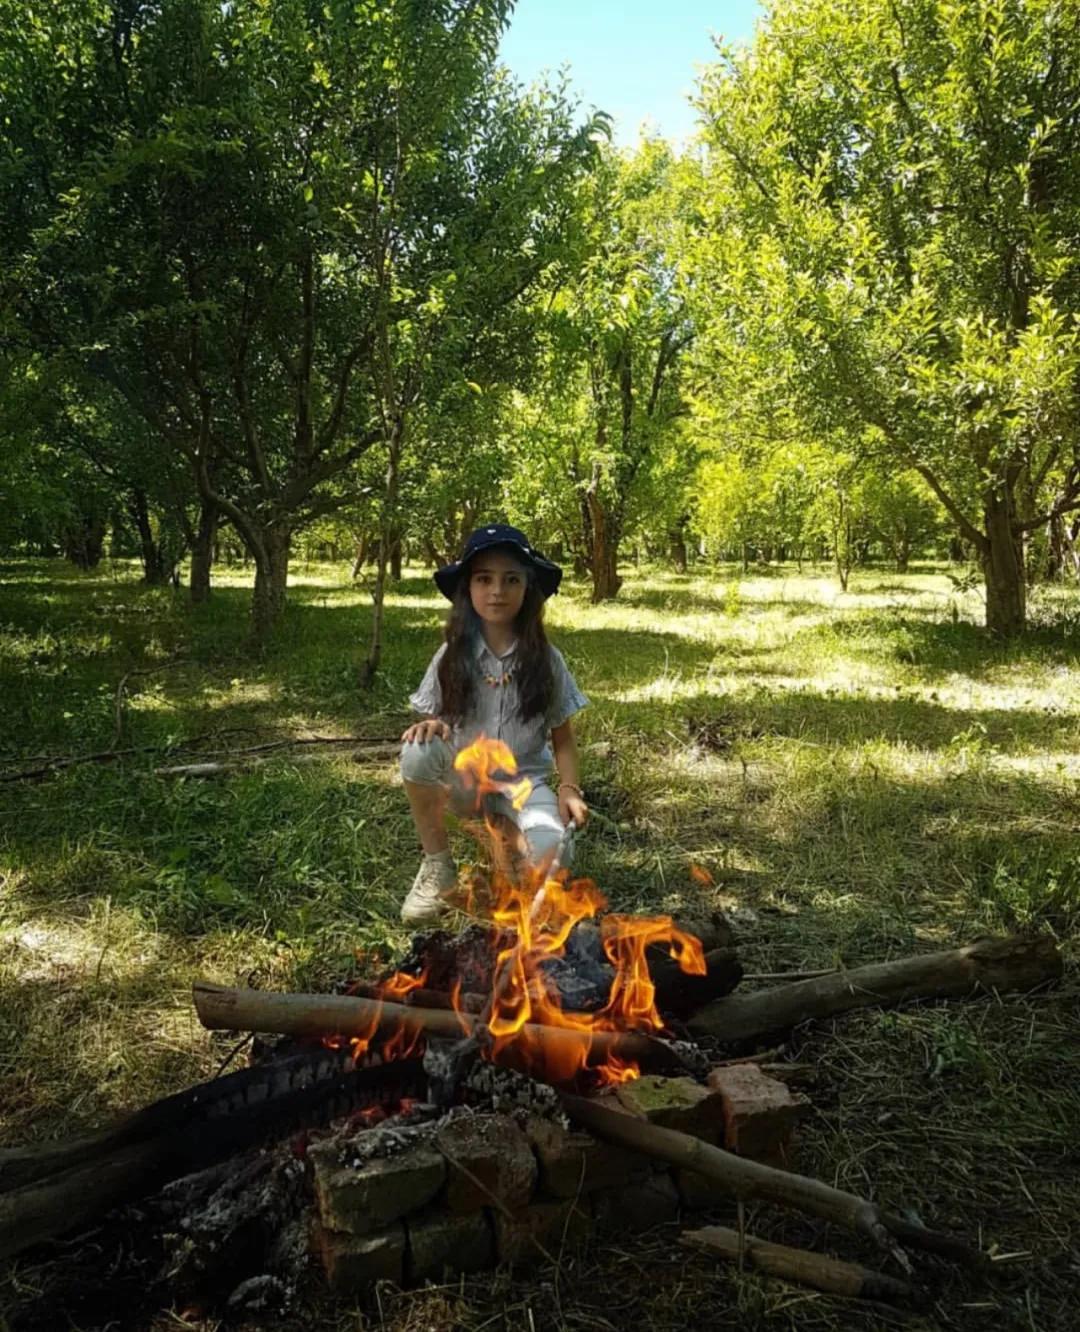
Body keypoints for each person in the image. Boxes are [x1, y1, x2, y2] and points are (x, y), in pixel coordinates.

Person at [398, 524, 589, 925]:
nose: (497, 591)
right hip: (465, 783)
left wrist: (569, 790)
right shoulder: (452, 655)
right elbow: (435, 716)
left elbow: (563, 738)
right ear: (468, 588)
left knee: (555, 855)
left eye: (510, 579)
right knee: (417, 754)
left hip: (523, 785)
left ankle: (508, 837)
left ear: (527, 589)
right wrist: (430, 727)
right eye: (484, 579)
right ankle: (437, 867)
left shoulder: (547, 660)